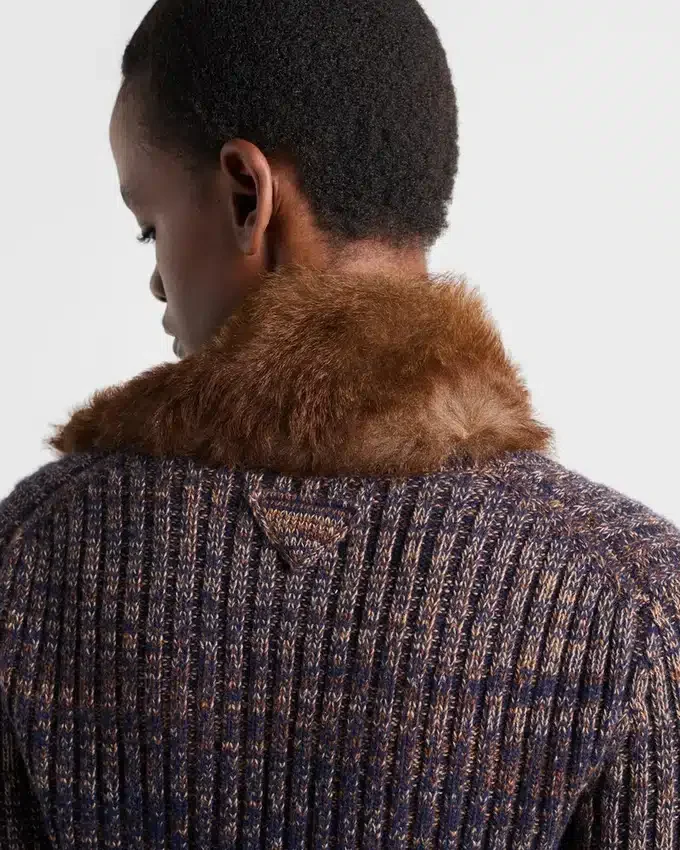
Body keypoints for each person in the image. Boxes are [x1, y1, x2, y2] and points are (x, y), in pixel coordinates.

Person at [1, 0, 678, 847]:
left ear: (247, 195)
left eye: (149, 229)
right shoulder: (629, 601)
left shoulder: (31, 562)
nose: (157, 282)